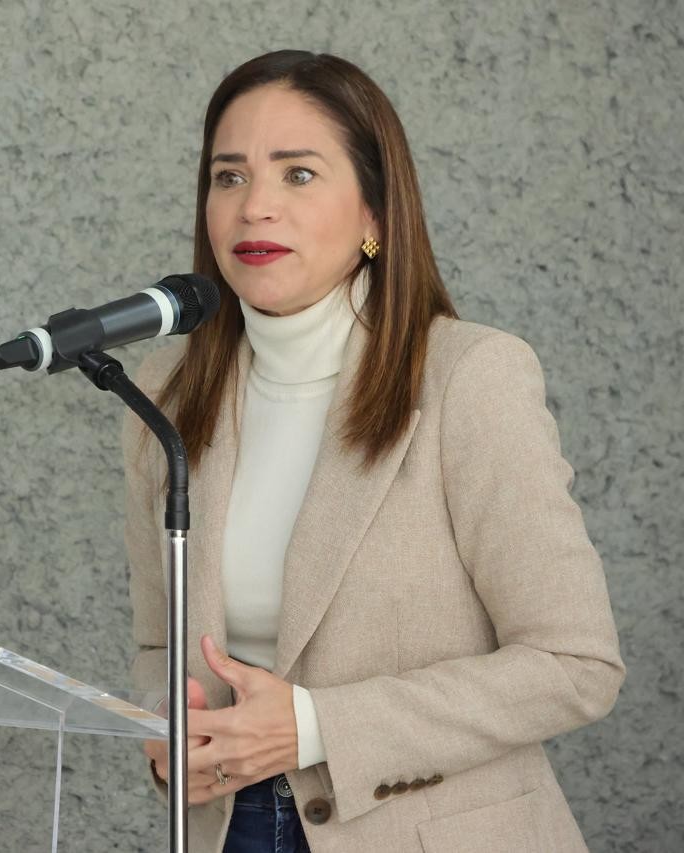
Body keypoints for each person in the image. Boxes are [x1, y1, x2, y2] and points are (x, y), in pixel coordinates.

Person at [123, 50, 624, 853]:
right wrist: (164, 733)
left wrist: (317, 726)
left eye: (297, 175)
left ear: (375, 218)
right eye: (229, 176)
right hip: (229, 828)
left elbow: (575, 662)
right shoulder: (166, 389)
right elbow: (159, 644)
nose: (255, 208)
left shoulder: (470, 377)